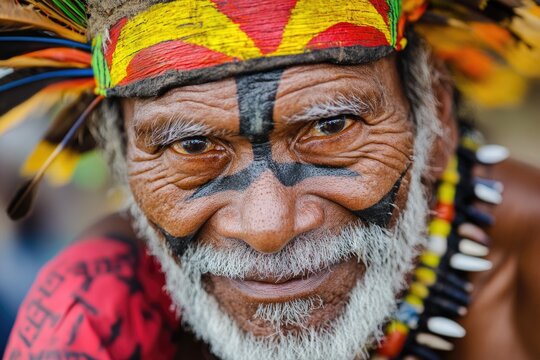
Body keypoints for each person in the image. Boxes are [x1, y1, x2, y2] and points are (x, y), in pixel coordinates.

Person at [1, 1, 539, 359]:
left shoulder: (526, 261)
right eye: (192, 146)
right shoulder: (96, 308)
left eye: (330, 126)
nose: (269, 226)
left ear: (436, 116)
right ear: (121, 159)